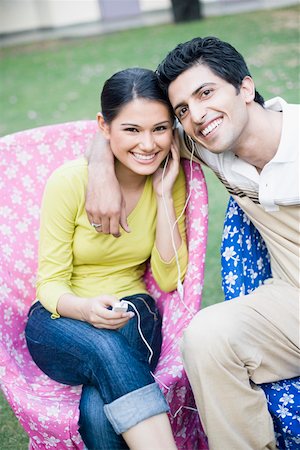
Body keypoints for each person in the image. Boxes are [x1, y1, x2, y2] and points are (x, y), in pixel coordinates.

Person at [85, 37, 300, 450]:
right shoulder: (209, 142)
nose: (197, 116)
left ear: (246, 88)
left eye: (206, 93)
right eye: (182, 109)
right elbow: (128, 129)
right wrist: (99, 167)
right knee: (205, 336)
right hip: (288, 302)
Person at [25, 67, 189, 450]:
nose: (148, 144)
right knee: (104, 347)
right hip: (59, 318)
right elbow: (49, 282)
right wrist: (83, 309)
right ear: (104, 125)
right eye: (132, 129)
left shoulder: (170, 179)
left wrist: (164, 195)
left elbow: (167, 278)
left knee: (99, 403)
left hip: (130, 309)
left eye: (160, 129)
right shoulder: (69, 182)